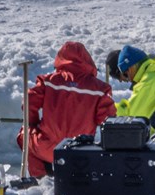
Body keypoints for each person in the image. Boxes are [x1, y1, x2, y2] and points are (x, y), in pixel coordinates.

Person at [18, 41, 117, 178]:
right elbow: (108, 120)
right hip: (81, 150)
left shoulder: (49, 81)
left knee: (25, 134)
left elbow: (29, 102)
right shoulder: (100, 89)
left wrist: (34, 124)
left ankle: (40, 178)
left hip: (48, 148)